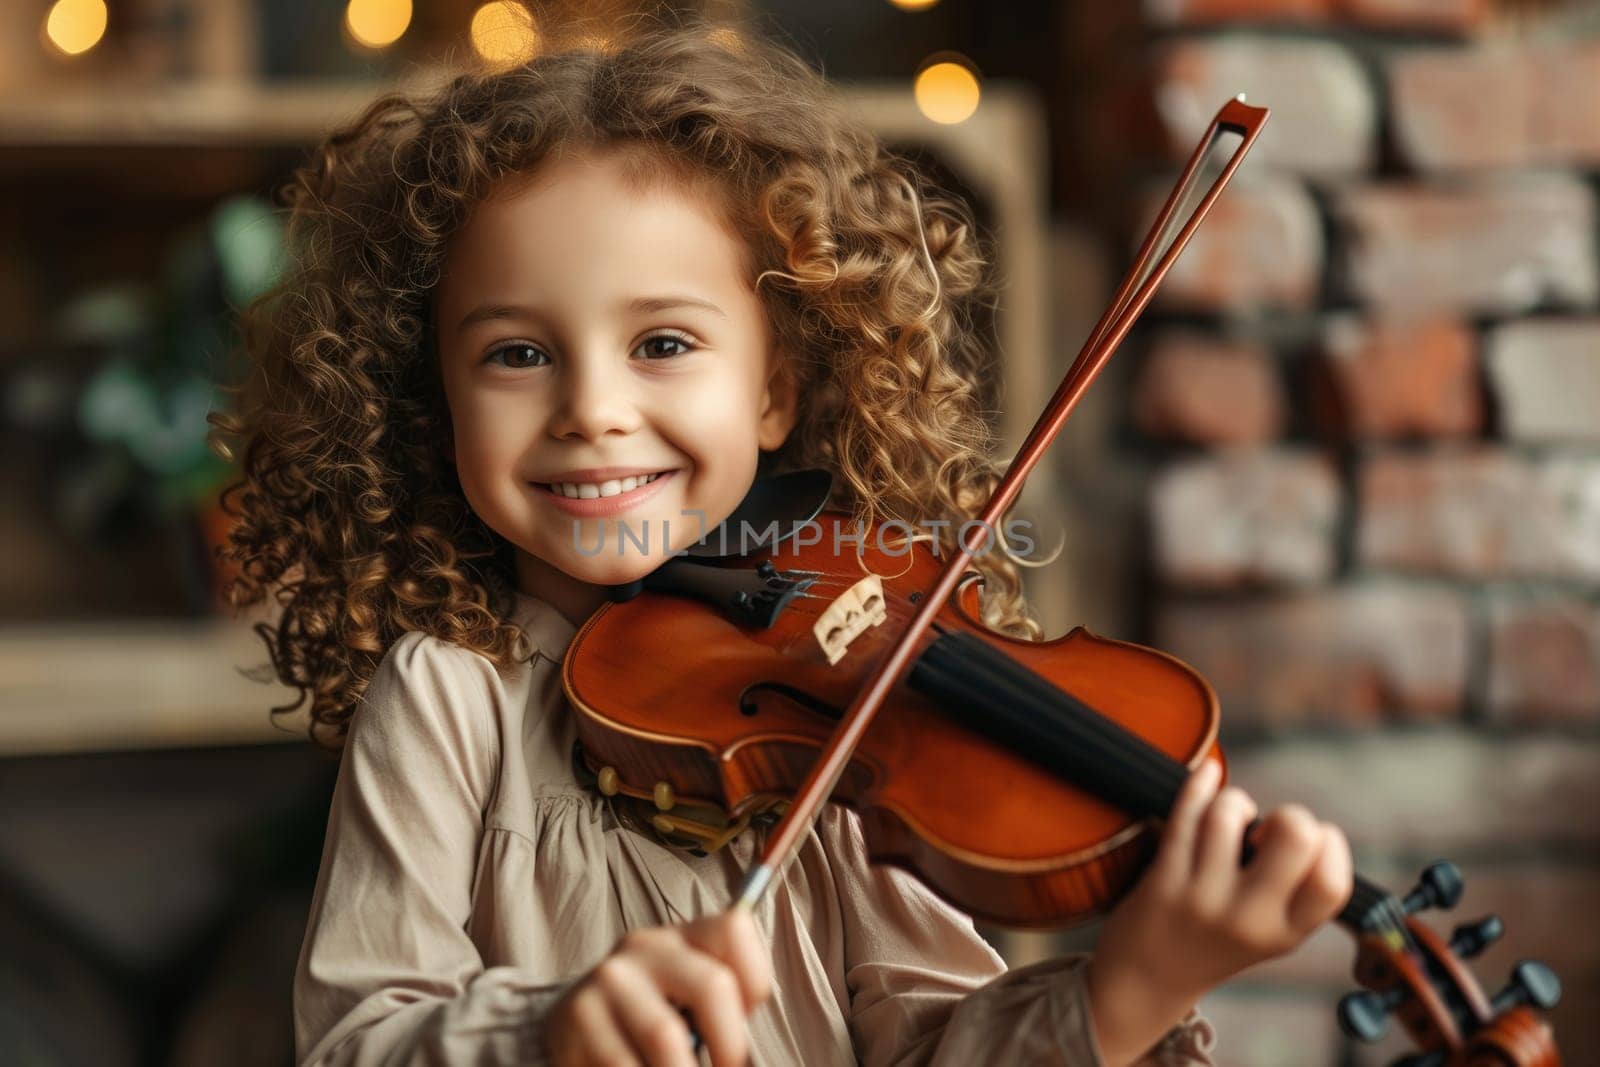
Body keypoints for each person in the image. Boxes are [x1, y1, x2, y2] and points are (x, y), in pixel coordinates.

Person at [210, 19, 1351, 1067]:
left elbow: (932, 1046)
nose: (592, 409)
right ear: (434, 401)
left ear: (774, 391)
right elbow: (358, 1035)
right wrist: (545, 1030)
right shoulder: (450, 698)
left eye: (661, 341)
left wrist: (1136, 983)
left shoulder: (852, 698)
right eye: (517, 354)